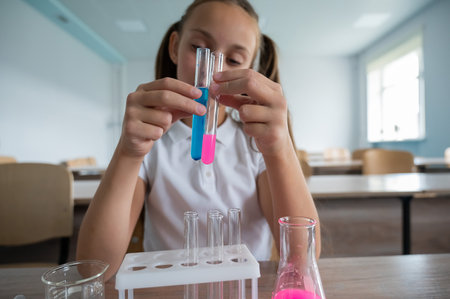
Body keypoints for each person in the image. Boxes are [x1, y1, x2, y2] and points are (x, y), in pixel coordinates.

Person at [77, 0, 321, 280]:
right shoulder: (151, 144)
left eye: (233, 60)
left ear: (250, 70)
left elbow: (303, 259)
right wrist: (128, 152)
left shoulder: (255, 146)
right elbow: (92, 268)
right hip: (166, 289)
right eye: (198, 48)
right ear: (174, 47)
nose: (212, 72)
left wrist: (279, 150)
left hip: (245, 289)